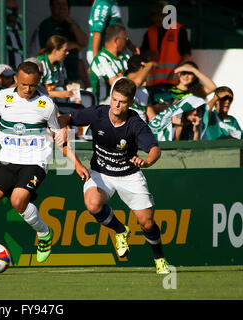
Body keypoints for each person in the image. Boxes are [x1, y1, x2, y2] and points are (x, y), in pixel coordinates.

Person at [0, 61, 89, 274]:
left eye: (32, 85)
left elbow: (60, 136)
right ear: (16, 80)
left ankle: (44, 233)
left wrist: (76, 163)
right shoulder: (0, 98)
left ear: (38, 82)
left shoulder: (47, 105)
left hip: (35, 162)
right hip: (7, 160)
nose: (27, 89)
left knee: (17, 200)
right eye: (23, 84)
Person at [59, 77, 171, 274]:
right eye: (114, 99)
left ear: (131, 102)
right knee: (92, 204)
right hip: (101, 172)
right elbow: (67, 118)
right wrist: (60, 127)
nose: (116, 105)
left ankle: (159, 258)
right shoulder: (97, 113)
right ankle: (120, 230)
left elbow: (155, 149)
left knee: (146, 222)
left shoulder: (135, 123)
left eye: (122, 102)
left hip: (129, 175)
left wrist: (147, 162)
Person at [38, 0, 89, 86]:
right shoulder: (47, 25)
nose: (62, 7)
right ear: (51, 6)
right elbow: (56, 45)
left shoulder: (70, 24)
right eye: (58, 4)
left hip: (72, 76)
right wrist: (76, 45)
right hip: (53, 75)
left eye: (64, 4)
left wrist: (72, 23)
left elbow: (84, 42)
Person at [141, 1, 192, 87]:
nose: (156, 18)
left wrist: (174, 72)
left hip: (174, 82)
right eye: (153, 15)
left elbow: (186, 56)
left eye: (159, 15)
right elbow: (142, 52)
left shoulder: (178, 30)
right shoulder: (150, 32)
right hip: (155, 84)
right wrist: (149, 53)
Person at [147, 60, 216, 118]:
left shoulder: (196, 92)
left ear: (195, 77)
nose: (186, 76)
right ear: (179, 74)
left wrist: (193, 69)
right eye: (184, 73)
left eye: (190, 73)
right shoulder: (166, 88)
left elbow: (212, 87)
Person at [89, 24, 132, 104]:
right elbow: (118, 85)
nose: (127, 42)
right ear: (116, 40)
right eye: (125, 39)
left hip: (125, 102)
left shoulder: (125, 56)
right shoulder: (101, 59)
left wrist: (122, 77)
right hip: (104, 105)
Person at [86, 0, 138, 65]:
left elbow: (119, 31)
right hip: (102, 53)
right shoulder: (104, 3)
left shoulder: (111, 2)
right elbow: (97, 33)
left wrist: (131, 46)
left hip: (111, 53)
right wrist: (95, 61)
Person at [36, 35, 74, 100]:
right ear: (55, 51)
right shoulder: (39, 64)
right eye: (64, 50)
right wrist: (58, 94)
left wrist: (74, 89)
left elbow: (64, 83)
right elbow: (35, 90)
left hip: (56, 102)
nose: (67, 53)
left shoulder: (60, 64)